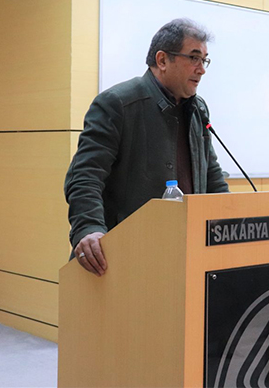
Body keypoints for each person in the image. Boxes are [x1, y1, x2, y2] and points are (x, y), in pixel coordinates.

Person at [64, 18, 230, 276]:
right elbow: (85, 176)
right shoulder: (117, 103)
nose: (201, 70)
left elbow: (211, 176)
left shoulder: (197, 109)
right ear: (162, 60)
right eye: (194, 58)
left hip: (182, 252)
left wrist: (232, 220)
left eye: (204, 60)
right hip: (120, 256)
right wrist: (88, 228)